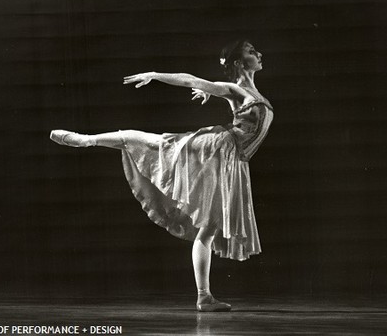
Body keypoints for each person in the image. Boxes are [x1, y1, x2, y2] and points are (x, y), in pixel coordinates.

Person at [50, 39, 273, 312]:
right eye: (252, 51)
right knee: (158, 144)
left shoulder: (242, 93)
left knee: (209, 229)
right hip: (219, 149)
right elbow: (189, 79)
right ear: (239, 62)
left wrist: (211, 94)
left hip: (234, 163)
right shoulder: (235, 89)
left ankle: (204, 296)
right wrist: (155, 75)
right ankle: (86, 140)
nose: (259, 54)